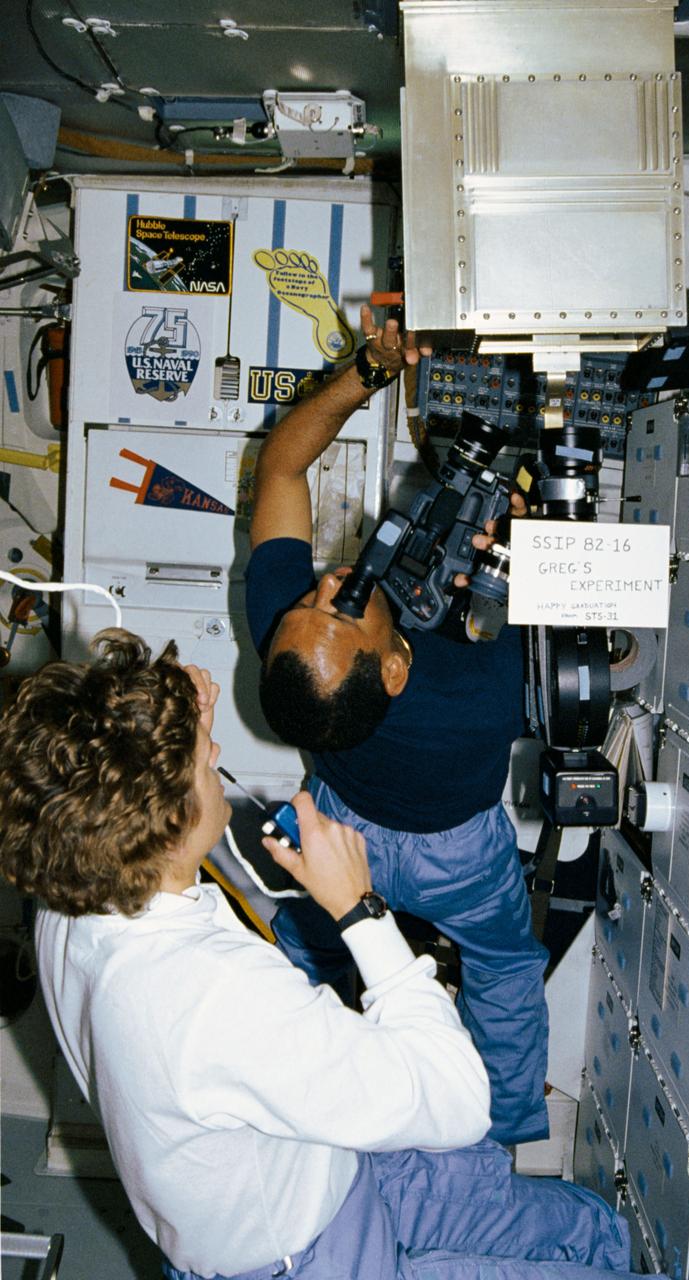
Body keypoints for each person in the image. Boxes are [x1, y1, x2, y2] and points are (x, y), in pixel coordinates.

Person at [0, 629, 648, 1280]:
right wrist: (358, 908)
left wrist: (171, 726)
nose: (215, 749)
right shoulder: (216, 992)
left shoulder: (72, 897)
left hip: (325, 1172)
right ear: (166, 821)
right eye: (202, 759)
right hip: (309, 1260)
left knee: (589, 1227)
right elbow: (454, 1098)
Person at [246, 306, 549, 1147]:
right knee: (503, 968)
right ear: (393, 670)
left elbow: (281, 465)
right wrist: (525, 544)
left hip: (339, 832)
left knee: (308, 953)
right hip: (457, 857)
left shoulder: (296, 647)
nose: (330, 585)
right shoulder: (478, 696)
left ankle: (294, 1107)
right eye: (343, 610)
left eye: (311, 601)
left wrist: (369, 368)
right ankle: (504, 1133)